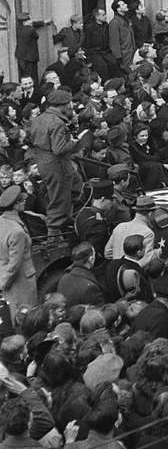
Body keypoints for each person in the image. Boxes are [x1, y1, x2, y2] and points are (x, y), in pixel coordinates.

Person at [26, 89, 81, 236]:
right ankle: (54, 234)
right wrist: (73, 143)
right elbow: (59, 148)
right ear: (61, 105)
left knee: (75, 184)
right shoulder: (57, 123)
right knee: (59, 197)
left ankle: (66, 217)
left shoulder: (38, 119)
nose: (70, 105)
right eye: (68, 103)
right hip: (57, 163)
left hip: (43, 160)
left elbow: (29, 138)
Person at [0, 186, 37, 314]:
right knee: (26, 314)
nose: (24, 202)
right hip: (21, 280)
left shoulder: (2, 221)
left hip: (4, 273)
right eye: (21, 201)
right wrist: (2, 284)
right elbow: (15, 264)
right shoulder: (17, 231)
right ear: (15, 205)